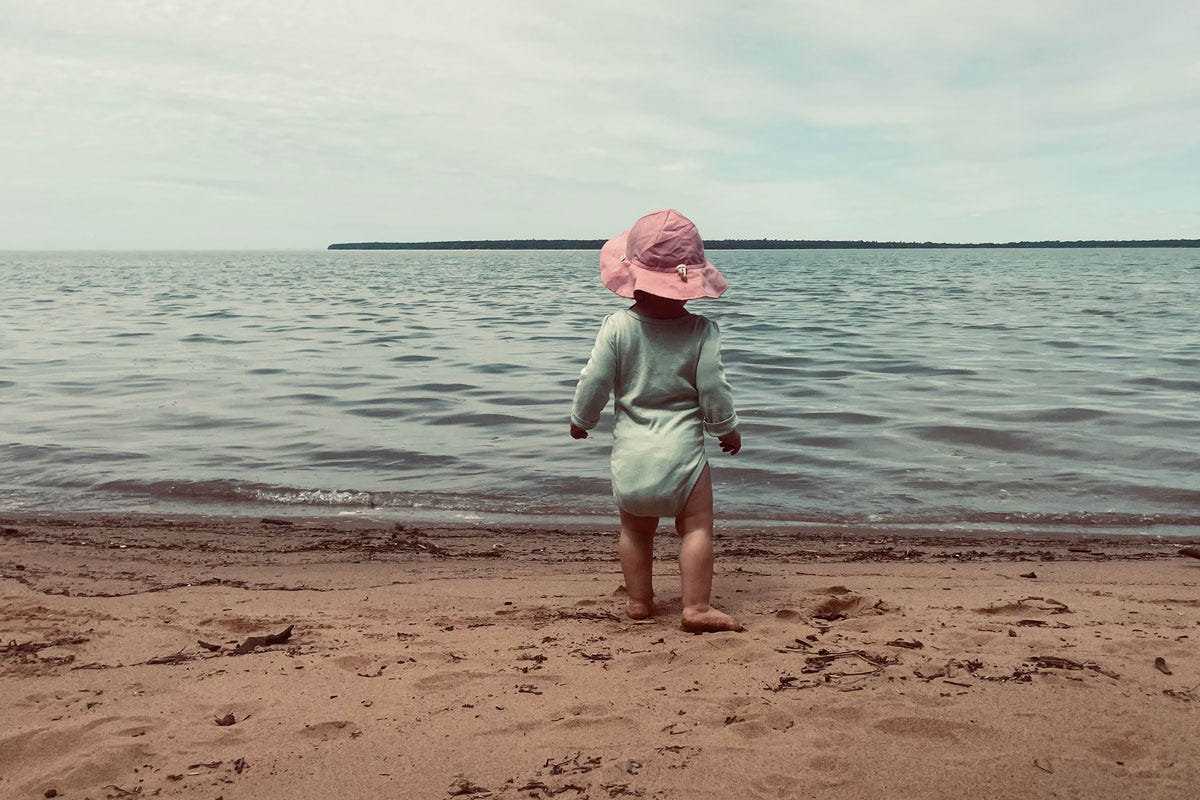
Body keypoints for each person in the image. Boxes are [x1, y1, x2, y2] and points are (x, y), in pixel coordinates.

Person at [569, 209, 744, 633]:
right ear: (689, 282)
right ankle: (697, 607)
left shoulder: (616, 328)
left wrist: (582, 419)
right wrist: (726, 427)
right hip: (683, 459)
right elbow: (713, 389)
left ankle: (639, 602)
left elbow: (594, 379)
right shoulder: (702, 331)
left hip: (632, 459)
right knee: (697, 527)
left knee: (635, 530)